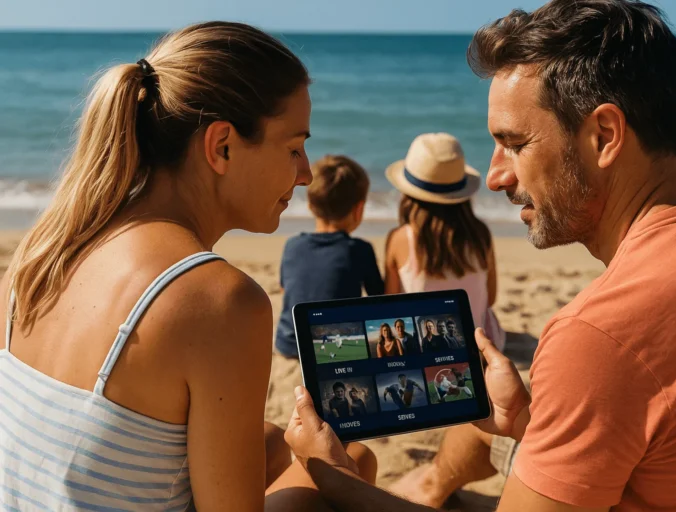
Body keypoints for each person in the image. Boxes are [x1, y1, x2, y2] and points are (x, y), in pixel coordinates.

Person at [284, 1, 676, 511]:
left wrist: (338, 478)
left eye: (514, 143)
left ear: (604, 135)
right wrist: (529, 424)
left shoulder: (599, 334)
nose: (496, 176)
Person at [0, 21, 378, 512]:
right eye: (293, 147)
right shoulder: (219, 300)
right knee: (351, 462)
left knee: (273, 443)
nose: (305, 173)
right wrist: (326, 475)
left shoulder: (48, 247)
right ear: (221, 145)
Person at [383, 132, 501, 348]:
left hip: (424, 349)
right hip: (477, 346)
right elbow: (490, 298)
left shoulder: (400, 239)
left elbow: (390, 305)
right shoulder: (480, 234)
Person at [275, 155, 384, 358]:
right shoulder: (359, 250)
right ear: (358, 209)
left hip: (288, 343)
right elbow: (379, 299)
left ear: (309, 204)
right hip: (335, 349)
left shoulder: (292, 246)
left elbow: (285, 288)